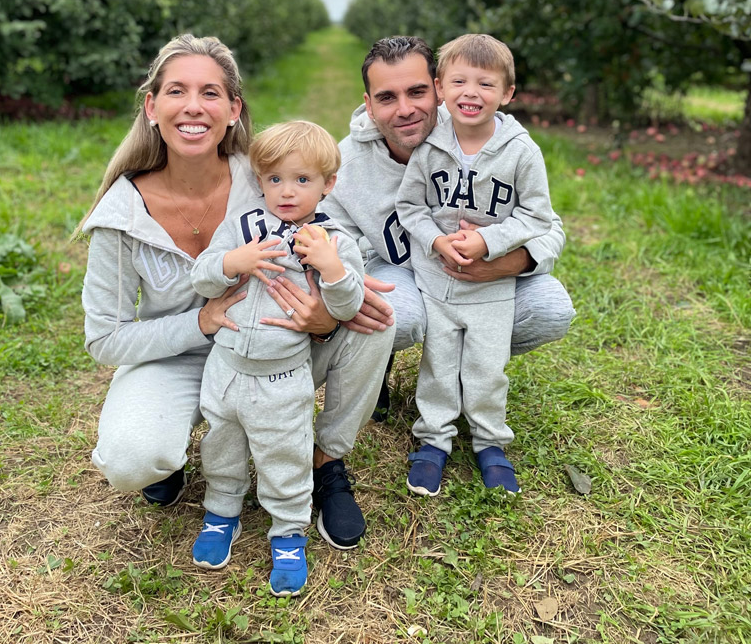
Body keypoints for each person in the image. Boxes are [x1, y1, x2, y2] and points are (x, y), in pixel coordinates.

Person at [78, 34, 392, 553]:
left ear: (233, 109)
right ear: (152, 107)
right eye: (177, 91)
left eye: (210, 93)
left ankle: (326, 461)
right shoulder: (121, 215)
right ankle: (169, 452)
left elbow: (325, 219)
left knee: (379, 318)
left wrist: (327, 316)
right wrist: (200, 322)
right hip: (178, 354)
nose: (194, 107)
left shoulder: (268, 176)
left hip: (273, 346)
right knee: (132, 457)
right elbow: (104, 340)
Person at [319, 36, 574, 421]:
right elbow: (324, 233)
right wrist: (352, 274)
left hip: (481, 278)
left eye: (417, 92)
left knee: (550, 309)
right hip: (403, 274)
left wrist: (505, 263)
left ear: (438, 89)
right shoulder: (346, 168)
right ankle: (374, 365)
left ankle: (467, 372)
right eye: (387, 98)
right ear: (369, 105)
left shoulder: (483, 137)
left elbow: (547, 225)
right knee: (396, 314)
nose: (405, 110)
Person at [189, 121, 364, 596]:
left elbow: (348, 307)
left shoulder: (336, 242)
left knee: (284, 454)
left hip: (282, 376)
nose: (287, 192)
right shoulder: (241, 227)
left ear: (328, 185)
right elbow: (202, 277)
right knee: (221, 445)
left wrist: (331, 270)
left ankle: (288, 530)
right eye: (275, 179)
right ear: (261, 180)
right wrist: (232, 263)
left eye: (303, 180)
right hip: (225, 369)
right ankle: (222, 512)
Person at [396, 33, 553, 495]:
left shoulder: (521, 151)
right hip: (437, 279)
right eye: (459, 81)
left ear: (507, 94)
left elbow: (537, 214)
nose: (471, 93)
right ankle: (433, 441)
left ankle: (490, 443)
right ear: (440, 87)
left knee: (487, 366)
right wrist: (437, 241)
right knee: (439, 364)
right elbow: (411, 208)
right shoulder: (429, 147)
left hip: (491, 286)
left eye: (485, 84)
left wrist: (487, 240)